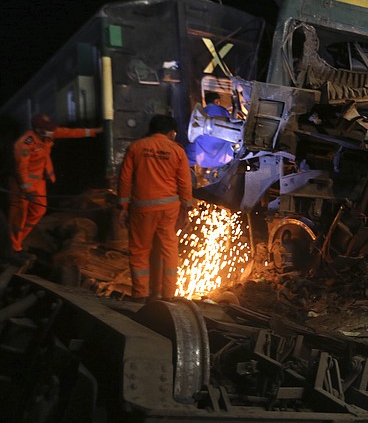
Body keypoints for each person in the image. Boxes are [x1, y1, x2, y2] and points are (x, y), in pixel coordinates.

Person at [117, 114, 193, 302]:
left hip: (141, 208)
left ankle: (140, 295)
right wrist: (187, 206)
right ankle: (168, 295)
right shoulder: (177, 150)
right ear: (170, 132)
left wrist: (123, 206)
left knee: (140, 250)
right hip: (169, 209)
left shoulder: (136, 147)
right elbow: (184, 181)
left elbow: (125, 179)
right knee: (168, 250)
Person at [8, 113, 102, 254]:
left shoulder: (49, 134)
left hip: (39, 181)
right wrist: (28, 190)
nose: (53, 133)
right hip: (22, 184)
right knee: (19, 216)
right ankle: (14, 247)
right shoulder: (25, 143)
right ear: (38, 130)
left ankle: (19, 240)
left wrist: (94, 132)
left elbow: (70, 132)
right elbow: (20, 169)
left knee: (38, 211)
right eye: (48, 130)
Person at [185, 91, 235, 169]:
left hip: (203, 160)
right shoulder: (221, 110)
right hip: (224, 158)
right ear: (217, 101)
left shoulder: (200, 114)